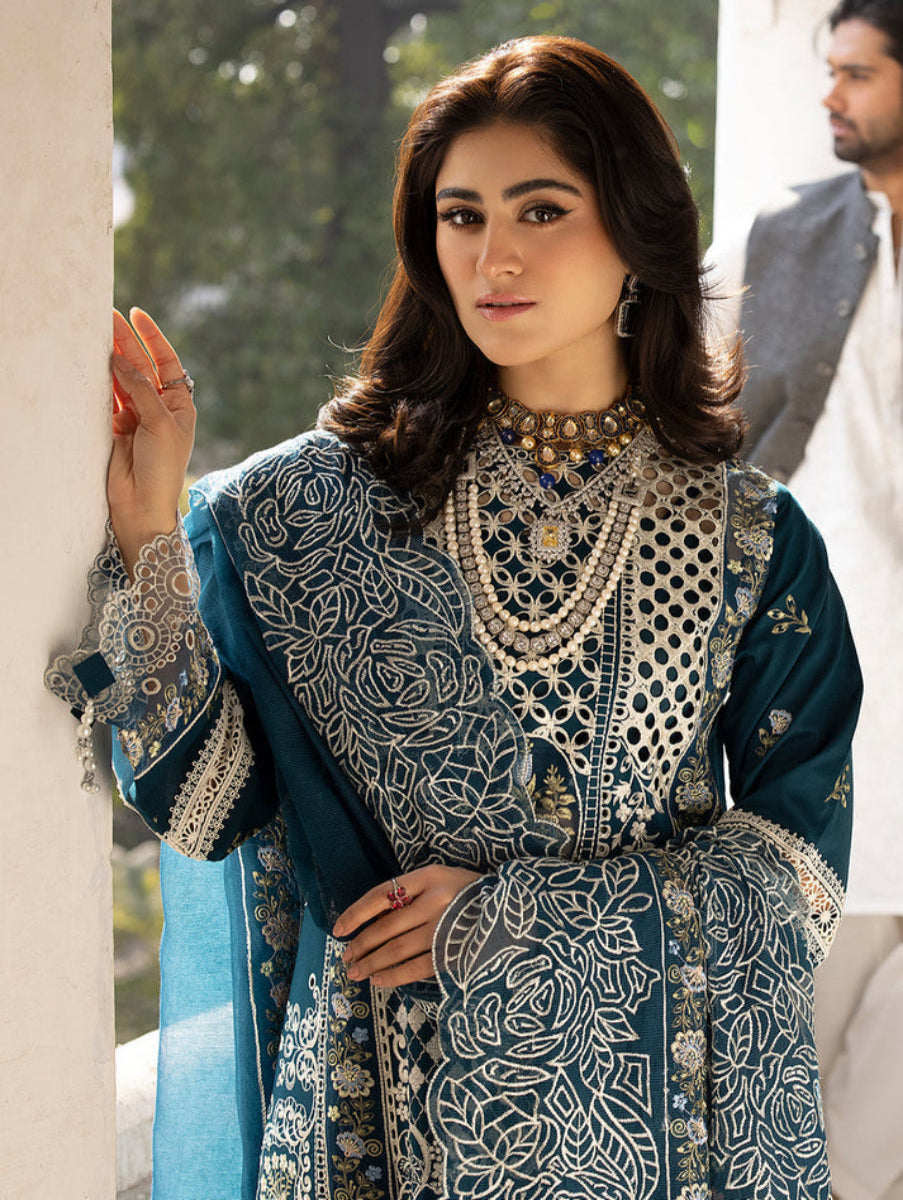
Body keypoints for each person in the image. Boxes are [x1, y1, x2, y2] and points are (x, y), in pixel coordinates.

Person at [47, 36, 860, 1200]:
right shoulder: (297, 514)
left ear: (637, 233)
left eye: (542, 210)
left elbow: (798, 877)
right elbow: (205, 801)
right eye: (461, 215)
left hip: (653, 1140)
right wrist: (147, 538)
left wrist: (507, 925)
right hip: (372, 1130)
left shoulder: (752, 539)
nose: (494, 255)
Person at [709, 4, 903, 1196]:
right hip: (821, 700)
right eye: (829, 70)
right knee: (785, 1075)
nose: (831, 95)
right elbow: (680, 394)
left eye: (859, 74)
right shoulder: (782, 235)